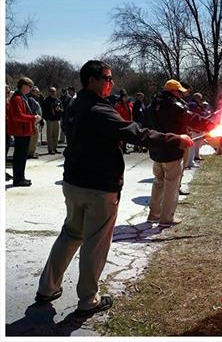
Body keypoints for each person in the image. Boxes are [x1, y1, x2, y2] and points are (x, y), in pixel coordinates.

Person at [36, 61, 193, 316]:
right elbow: (136, 133)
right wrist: (175, 138)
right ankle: (89, 300)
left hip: (74, 183)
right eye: (107, 78)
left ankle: (47, 287)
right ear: (92, 80)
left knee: (70, 234)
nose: (112, 82)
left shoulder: (75, 105)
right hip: (98, 188)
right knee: (94, 243)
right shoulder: (99, 110)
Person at [146, 80, 213, 225]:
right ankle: (167, 218)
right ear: (173, 92)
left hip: (156, 148)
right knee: (172, 184)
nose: (181, 94)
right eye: (179, 91)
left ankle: (154, 214)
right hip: (172, 149)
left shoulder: (152, 105)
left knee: (158, 182)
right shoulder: (173, 106)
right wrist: (210, 125)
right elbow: (191, 119)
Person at [7, 77, 41, 186]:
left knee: (22, 156)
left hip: (24, 131)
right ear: (23, 86)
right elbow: (18, 116)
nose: (30, 89)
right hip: (20, 131)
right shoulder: (17, 98)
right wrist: (33, 118)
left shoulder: (22, 97)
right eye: (29, 86)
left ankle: (21, 177)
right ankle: (18, 179)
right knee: (19, 156)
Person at [41, 86, 64, 154]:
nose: (52, 93)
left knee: (56, 135)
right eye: (51, 91)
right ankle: (50, 149)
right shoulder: (46, 101)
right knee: (50, 135)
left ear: (56, 92)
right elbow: (43, 110)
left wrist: (59, 110)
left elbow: (62, 110)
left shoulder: (58, 100)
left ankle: (55, 148)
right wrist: (45, 118)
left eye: (54, 91)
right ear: (49, 92)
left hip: (56, 120)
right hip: (49, 120)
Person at [114, 89, 133, 154]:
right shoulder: (118, 105)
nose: (126, 98)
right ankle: (121, 150)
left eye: (126, 97)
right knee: (121, 138)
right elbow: (117, 114)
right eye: (124, 97)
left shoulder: (129, 104)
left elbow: (131, 113)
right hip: (122, 123)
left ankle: (124, 149)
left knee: (126, 137)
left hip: (128, 122)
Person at [27, 86, 44, 159]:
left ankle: (32, 151)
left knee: (35, 137)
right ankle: (30, 152)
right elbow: (31, 110)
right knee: (33, 138)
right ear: (32, 91)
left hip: (37, 121)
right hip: (33, 121)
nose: (38, 93)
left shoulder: (35, 99)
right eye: (36, 91)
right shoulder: (30, 99)